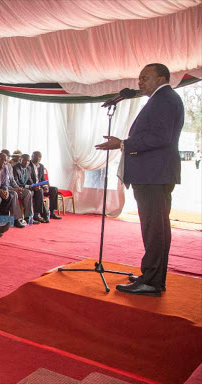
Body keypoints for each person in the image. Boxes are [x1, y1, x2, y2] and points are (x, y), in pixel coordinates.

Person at [95, 63, 184, 297]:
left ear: (161, 78)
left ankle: (152, 282)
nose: (140, 82)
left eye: (145, 78)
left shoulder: (163, 99)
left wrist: (123, 143)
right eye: (139, 78)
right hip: (157, 172)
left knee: (154, 228)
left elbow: (161, 137)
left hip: (153, 173)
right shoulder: (164, 98)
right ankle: (154, 277)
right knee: (158, 228)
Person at [29, 151, 62, 221]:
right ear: (32, 156)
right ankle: (38, 214)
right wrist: (37, 186)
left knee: (54, 189)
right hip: (33, 187)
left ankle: (52, 213)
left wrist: (45, 186)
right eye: (36, 156)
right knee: (40, 190)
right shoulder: (28, 165)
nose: (38, 158)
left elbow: (43, 179)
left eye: (40, 156)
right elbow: (28, 180)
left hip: (40, 186)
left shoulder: (41, 166)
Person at [12, 154, 40, 224]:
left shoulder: (28, 168)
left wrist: (33, 185)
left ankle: (30, 217)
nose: (26, 162)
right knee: (28, 192)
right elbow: (16, 183)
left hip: (24, 188)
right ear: (20, 160)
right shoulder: (15, 168)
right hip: (16, 188)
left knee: (38, 191)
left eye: (28, 161)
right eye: (24, 160)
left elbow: (29, 180)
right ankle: (21, 218)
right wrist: (28, 186)